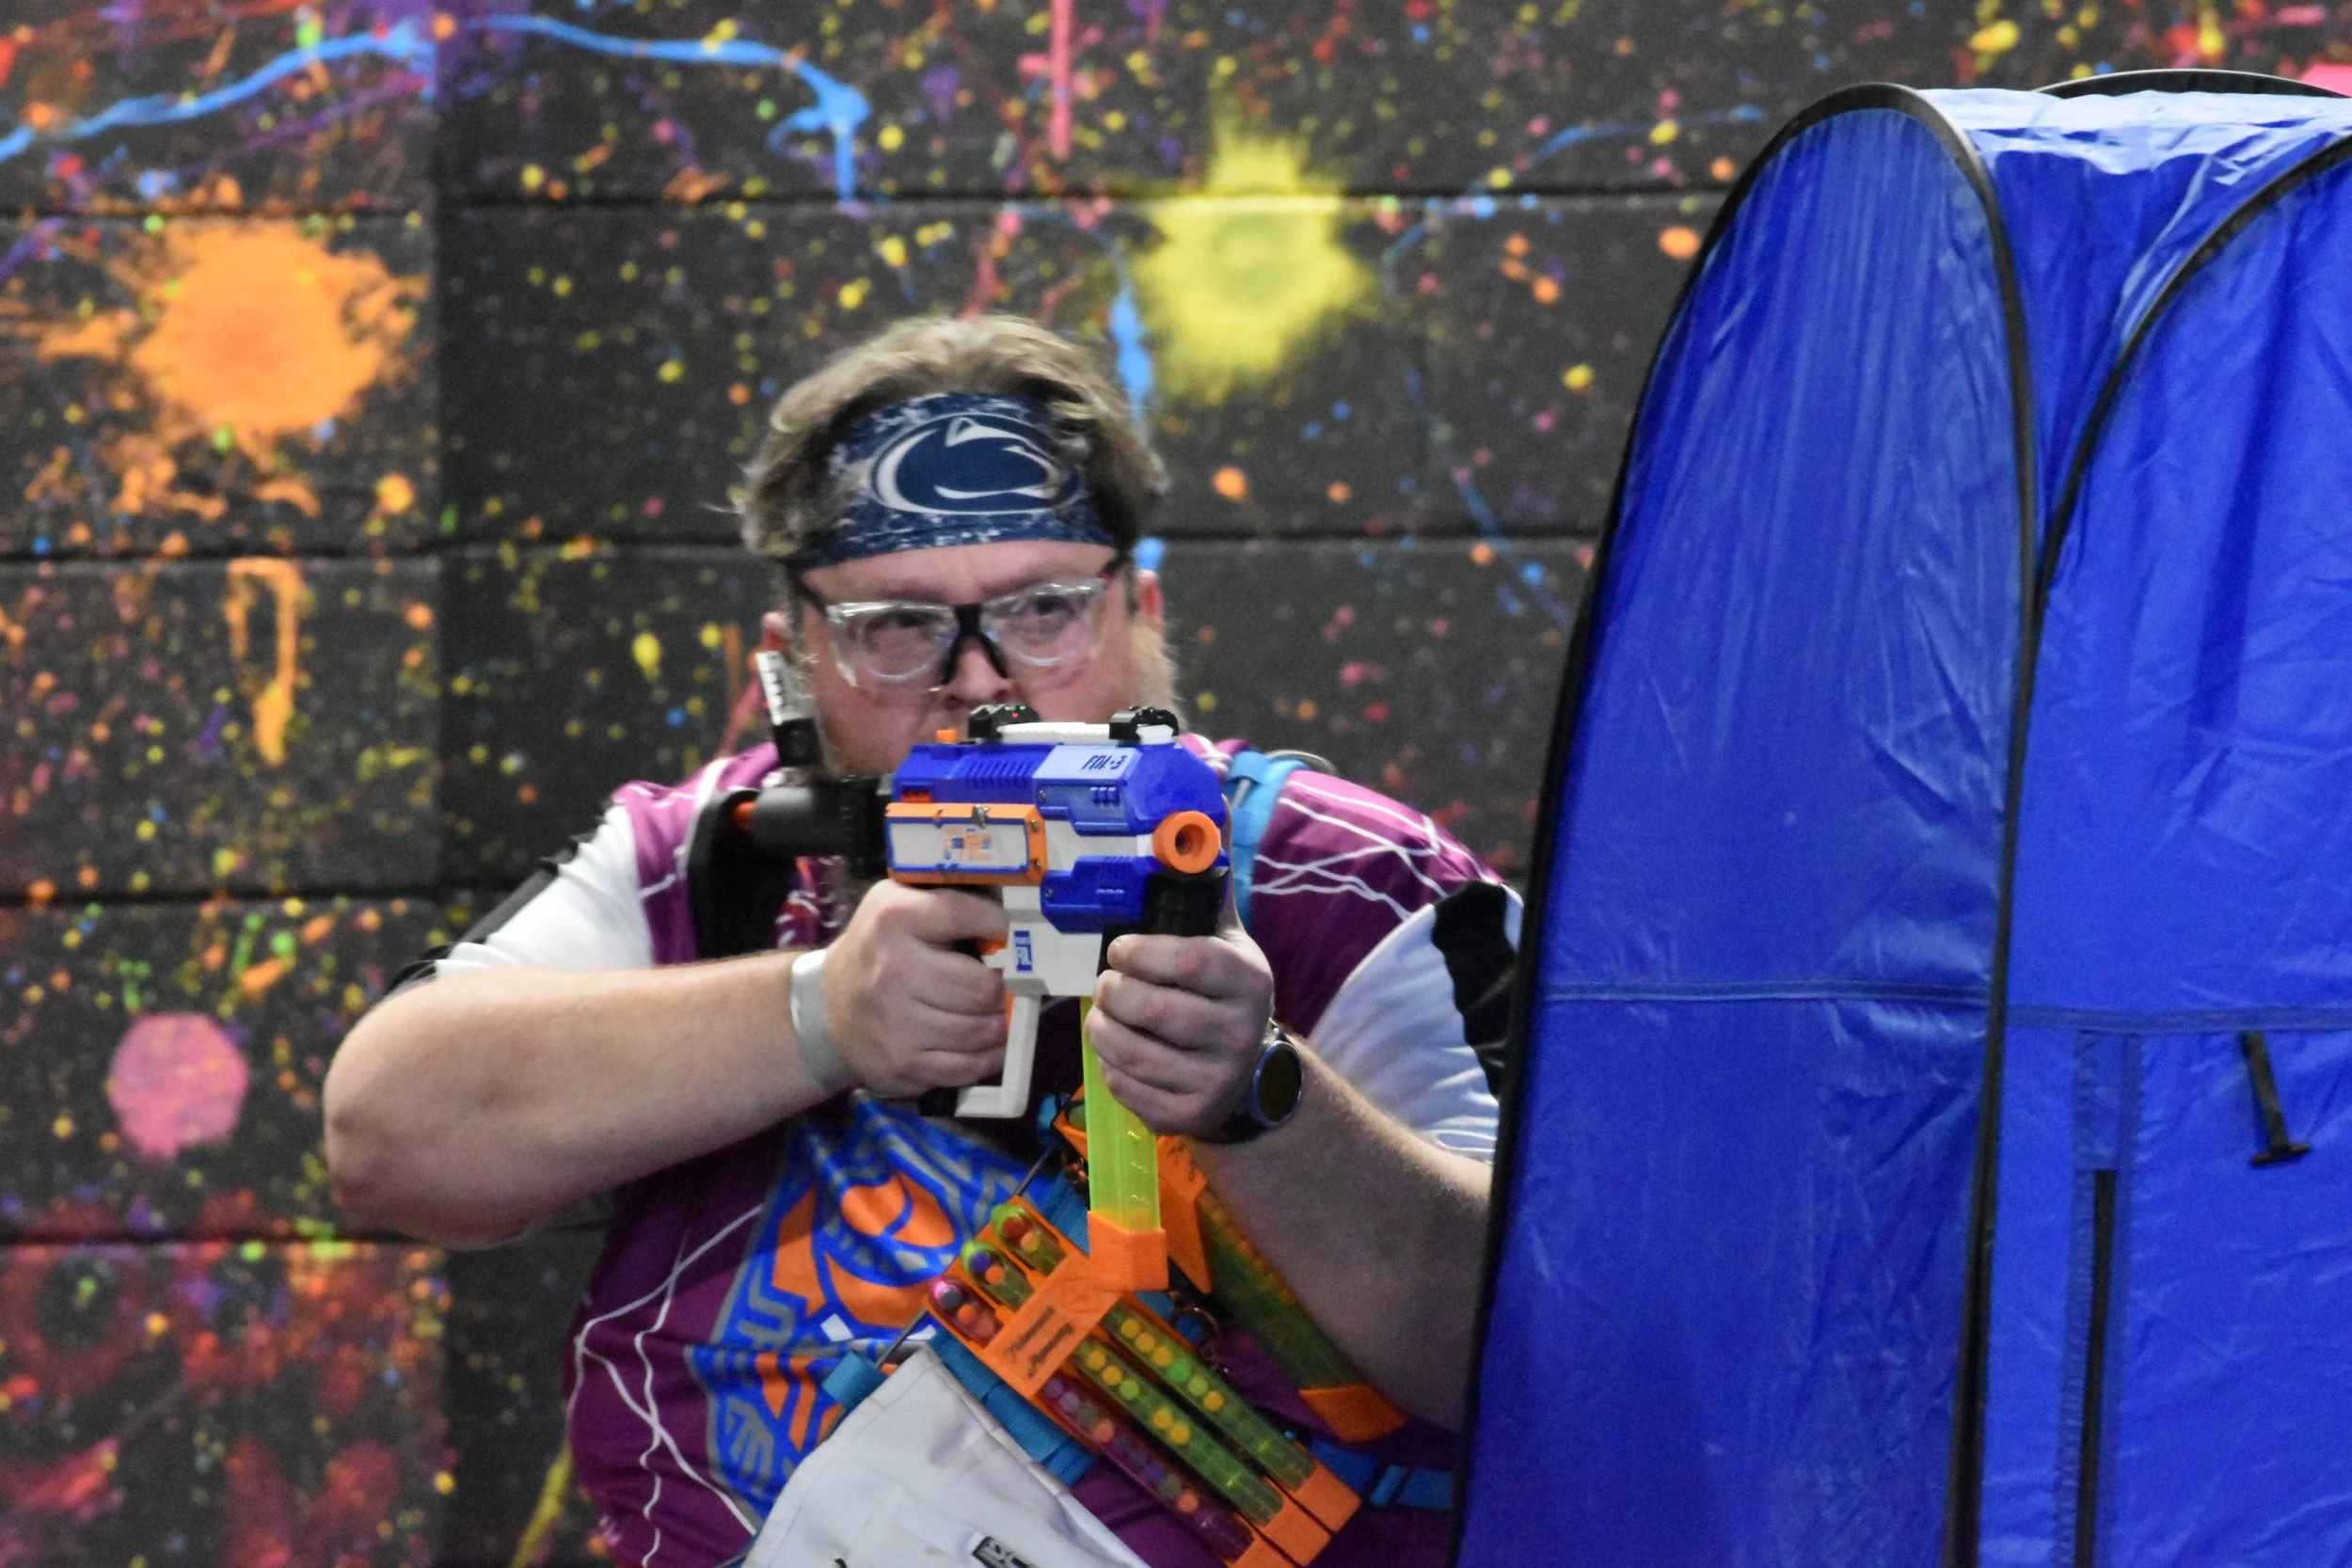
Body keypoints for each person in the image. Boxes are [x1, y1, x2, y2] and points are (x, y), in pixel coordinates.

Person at [324, 315, 1513, 1568]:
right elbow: (385, 1136)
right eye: (897, 626)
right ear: (791, 663)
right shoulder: (718, 861)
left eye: (1044, 610)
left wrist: (1263, 1096)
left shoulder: (1344, 880)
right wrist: (817, 1013)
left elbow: (1533, 1344)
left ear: (1141, 614)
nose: (982, 679)